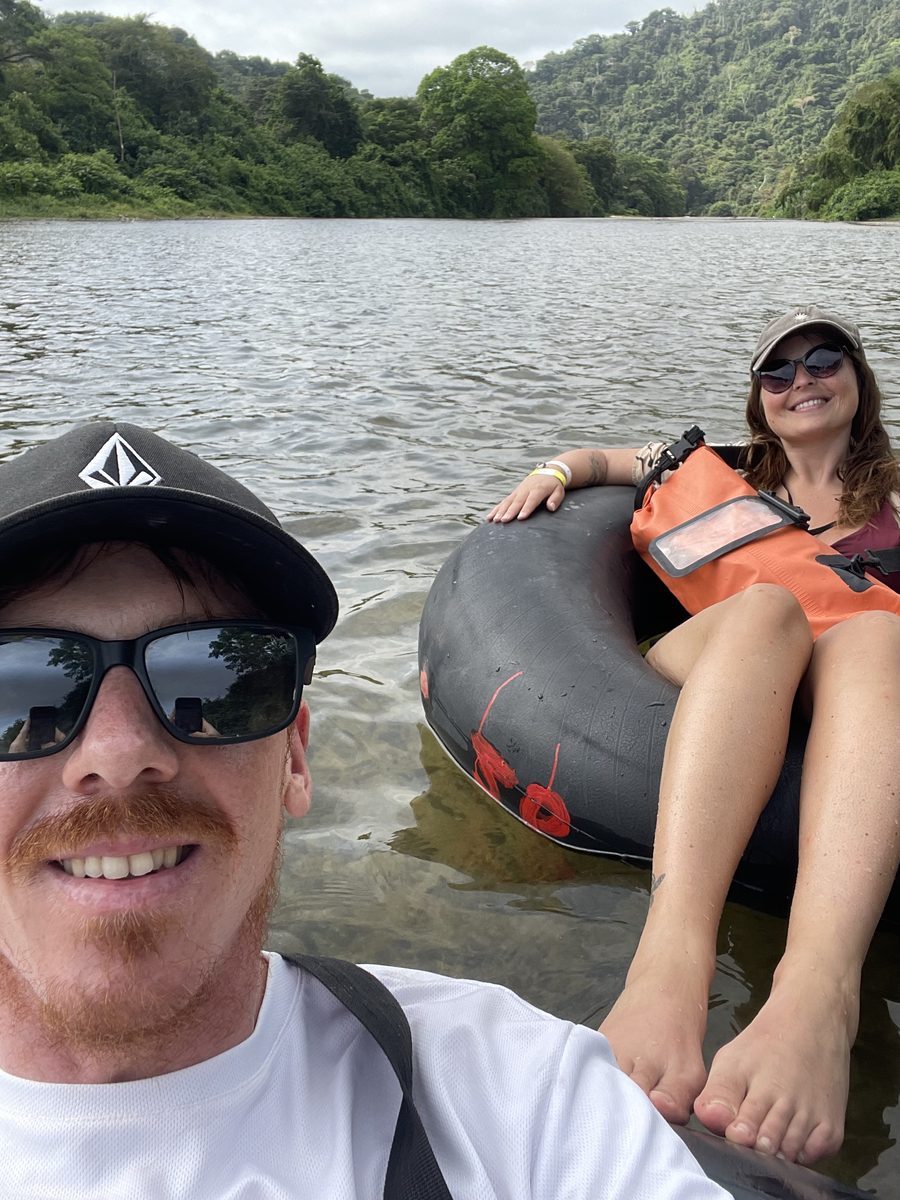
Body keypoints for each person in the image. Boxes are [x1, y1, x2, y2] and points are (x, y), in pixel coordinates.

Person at [0, 420, 729, 1198]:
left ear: (297, 760)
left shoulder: (524, 1098)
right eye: (24, 690)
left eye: (212, 680)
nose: (117, 753)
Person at [488, 305, 900, 1167]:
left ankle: (818, 995)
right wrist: (554, 470)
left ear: (858, 380)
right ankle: (668, 967)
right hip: (737, 657)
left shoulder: (894, 494)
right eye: (777, 373)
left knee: (874, 634)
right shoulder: (727, 471)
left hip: (859, 688)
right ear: (760, 402)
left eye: (823, 360)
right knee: (767, 606)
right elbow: (607, 460)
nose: (802, 381)